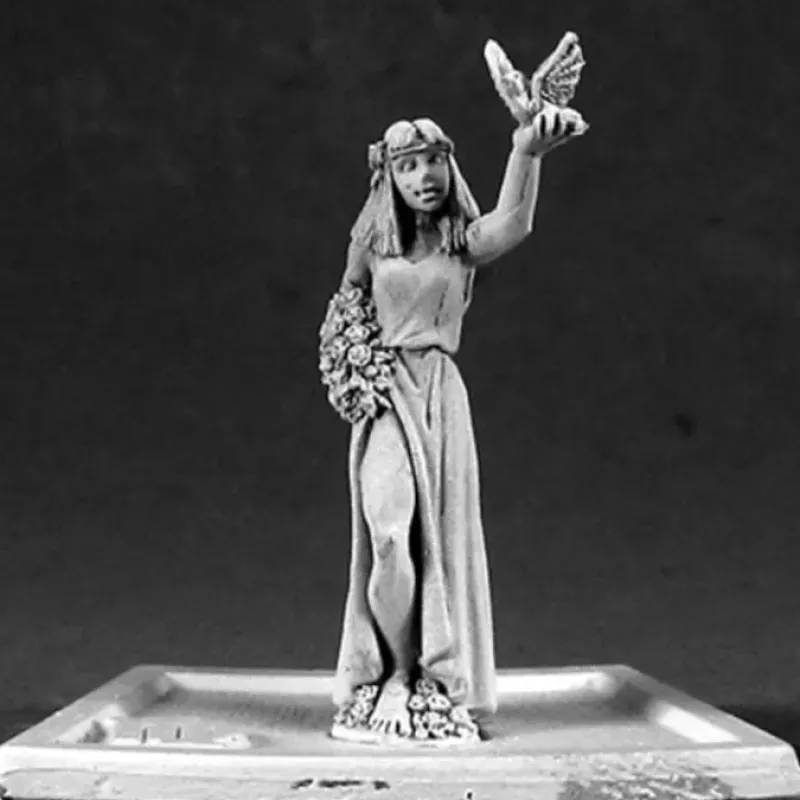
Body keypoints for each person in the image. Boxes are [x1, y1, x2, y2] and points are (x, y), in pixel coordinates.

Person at [330, 109, 582, 743]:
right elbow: (345, 311)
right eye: (409, 166)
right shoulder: (370, 244)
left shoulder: (461, 242)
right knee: (388, 533)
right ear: (389, 177)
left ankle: (421, 676)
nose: (425, 176)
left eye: (434, 162)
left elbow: (514, 221)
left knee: (434, 541)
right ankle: (394, 669)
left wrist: (527, 152)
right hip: (386, 394)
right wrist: (352, 372)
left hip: (439, 397)